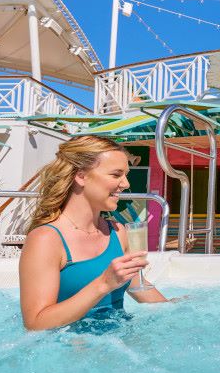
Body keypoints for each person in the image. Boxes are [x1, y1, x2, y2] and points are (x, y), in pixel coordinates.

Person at [19, 135, 168, 331]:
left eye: (125, 175)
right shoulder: (46, 239)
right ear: (81, 176)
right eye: (116, 175)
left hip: (120, 342)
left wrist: (179, 309)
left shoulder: (117, 231)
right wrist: (103, 284)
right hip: (71, 349)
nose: (126, 184)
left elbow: (135, 283)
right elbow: (36, 324)